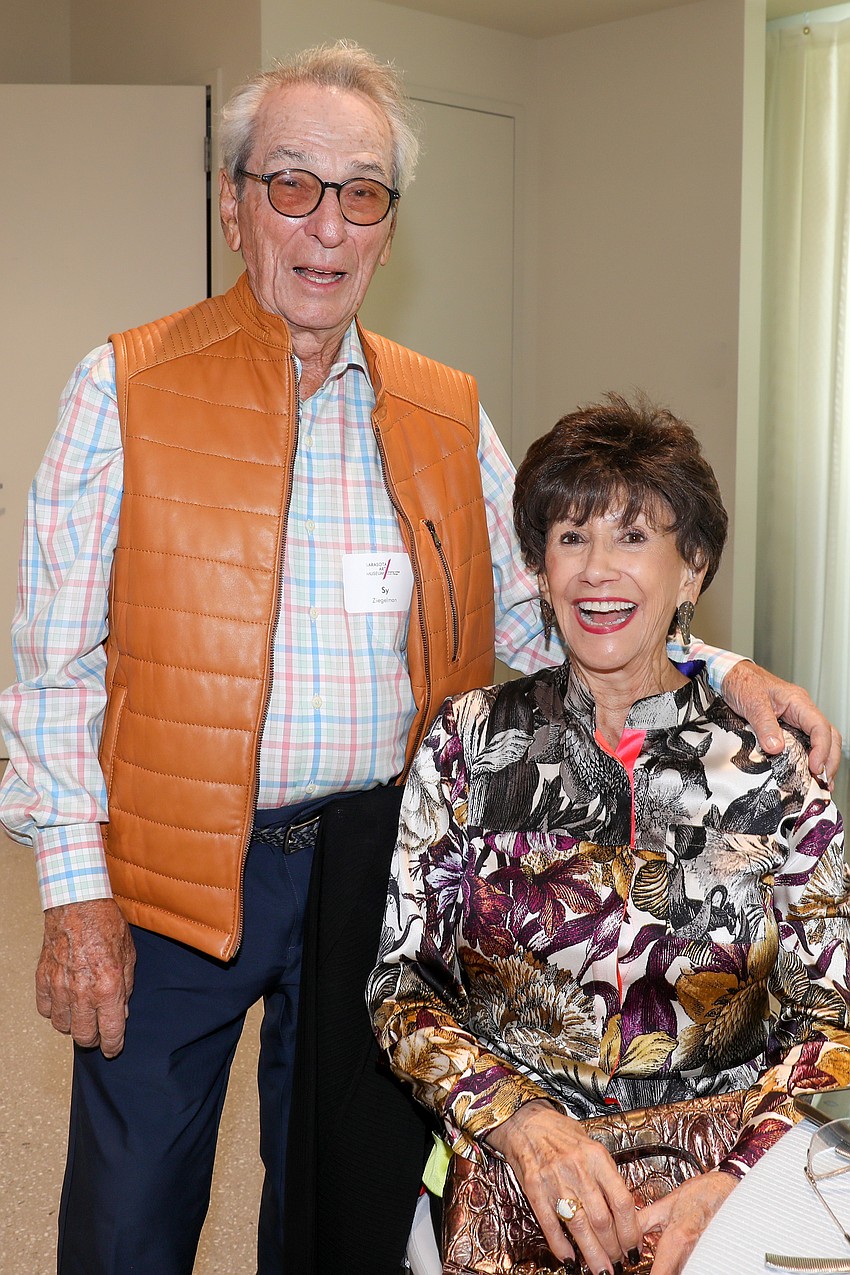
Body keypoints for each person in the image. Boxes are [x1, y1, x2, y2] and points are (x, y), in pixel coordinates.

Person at [0, 40, 839, 1275]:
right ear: (232, 202)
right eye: (292, 185)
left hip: (374, 860)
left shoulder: (444, 410)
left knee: (337, 1205)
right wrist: (76, 896)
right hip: (174, 863)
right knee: (130, 1215)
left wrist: (717, 671)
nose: (326, 226)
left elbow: (551, 609)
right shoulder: (123, 387)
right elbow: (53, 667)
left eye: (361, 194)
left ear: (389, 229)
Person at [367, 396, 850, 1275]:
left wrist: (735, 1179)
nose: (597, 570)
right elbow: (403, 988)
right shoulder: (468, 743)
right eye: (571, 537)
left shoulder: (773, 764)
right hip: (520, 1178)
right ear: (540, 567)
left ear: (691, 567)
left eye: (633, 537)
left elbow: (831, 1013)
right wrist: (520, 1121)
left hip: (730, 1178)